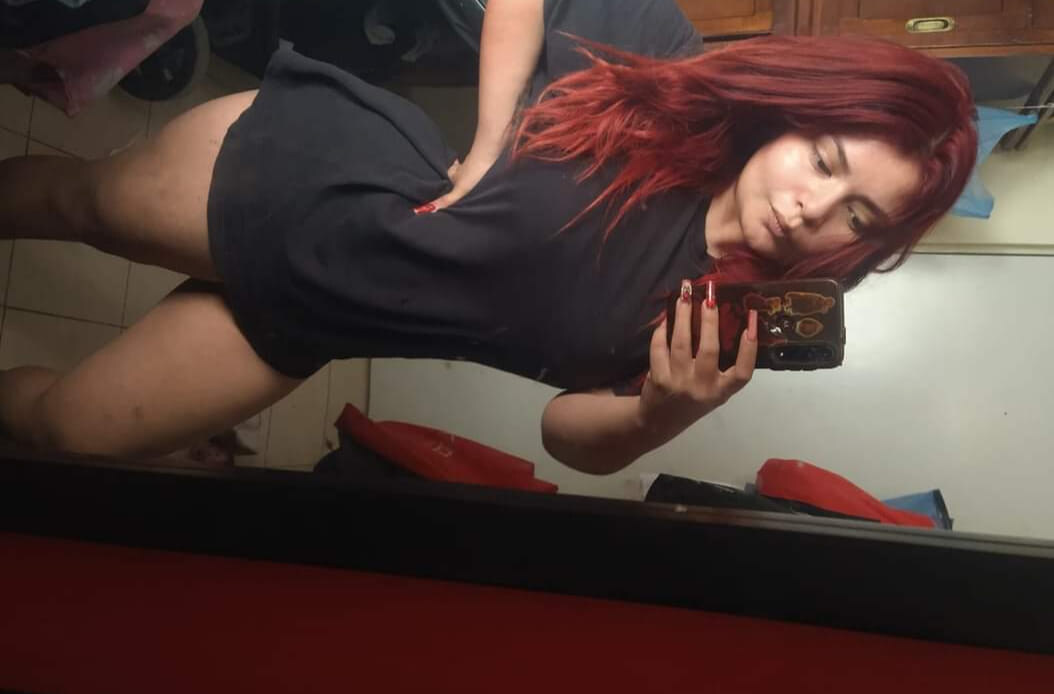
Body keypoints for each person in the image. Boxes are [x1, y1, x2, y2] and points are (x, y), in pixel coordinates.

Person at [0, 0, 976, 475]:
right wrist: (486, 140)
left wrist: (659, 414)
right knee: (76, 207)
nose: (812, 210)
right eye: (823, 160)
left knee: (67, 433)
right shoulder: (669, 73)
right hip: (306, 177)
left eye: (856, 215)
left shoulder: (723, 330)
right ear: (792, 118)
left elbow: (566, 442)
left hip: (310, 322)